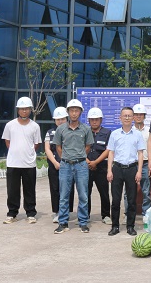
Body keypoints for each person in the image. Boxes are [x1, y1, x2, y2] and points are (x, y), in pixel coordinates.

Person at [53, 99, 94, 234]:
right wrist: (66, 157)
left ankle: (83, 222)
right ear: (68, 112)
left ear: (80, 112)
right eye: (72, 110)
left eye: (77, 111)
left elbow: (88, 146)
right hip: (65, 165)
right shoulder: (61, 129)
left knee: (83, 194)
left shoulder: (86, 129)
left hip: (81, 165)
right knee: (64, 195)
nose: (74, 113)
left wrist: (79, 156)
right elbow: (58, 147)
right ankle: (63, 222)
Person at [1, 97, 42, 224]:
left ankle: (31, 213)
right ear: (18, 110)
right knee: (12, 190)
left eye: (27, 109)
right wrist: (15, 152)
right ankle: (12, 213)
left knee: (29, 189)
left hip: (29, 163)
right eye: (22, 109)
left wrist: (28, 152)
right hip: (13, 163)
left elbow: (37, 143)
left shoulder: (35, 126)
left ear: (30, 110)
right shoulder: (10, 125)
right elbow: (7, 141)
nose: (24, 111)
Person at [106, 107, 145, 236]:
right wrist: (109, 170)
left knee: (132, 200)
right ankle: (115, 226)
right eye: (125, 116)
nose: (127, 118)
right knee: (115, 200)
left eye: (129, 116)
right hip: (117, 168)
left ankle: (130, 226)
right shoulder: (114, 134)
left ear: (133, 118)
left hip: (132, 169)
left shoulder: (137, 134)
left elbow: (140, 154)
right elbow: (111, 153)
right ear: (120, 118)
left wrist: (139, 171)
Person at [44, 107, 74, 223]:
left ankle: (66, 212)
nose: (60, 121)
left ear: (66, 119)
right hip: (54, 165)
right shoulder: (50, 132)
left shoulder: (72, 131)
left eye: (62, 119)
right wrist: (55, 163)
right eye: (58, 119)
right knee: (55, 188)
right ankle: (57, 212)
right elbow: (47, 149)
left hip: (69, 165)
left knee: (68, 188)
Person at [86, 107, 112, 225]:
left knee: (104, 192)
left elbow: (108, 149)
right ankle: (85, 215)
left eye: (97, 119)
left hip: (101, 167)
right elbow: (80, 148)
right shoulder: (85, 132)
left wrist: (95, 162)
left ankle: (106, 215)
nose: (94, 121)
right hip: (86, 167)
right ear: (89, 120)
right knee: (85, 192)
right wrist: (88, 162)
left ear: (101, 120)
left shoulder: (107, 133)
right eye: (92, 119)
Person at [128, 104, 151, 216]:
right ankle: (128, 214)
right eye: (136, 114)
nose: (138, 116)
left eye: (141, 114)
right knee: (128, 191)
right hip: (131, 164)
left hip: (146, 163)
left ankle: (146, 213)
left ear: (144, 116)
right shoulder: (129, 131)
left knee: (146, 191)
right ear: (133, 116)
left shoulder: (149, 131)